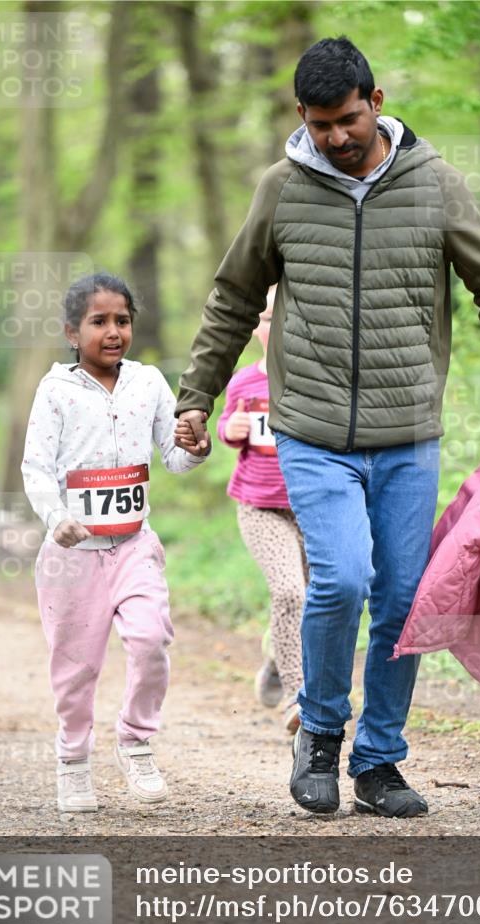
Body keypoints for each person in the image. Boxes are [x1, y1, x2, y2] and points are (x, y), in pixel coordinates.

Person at [174, 37, 480, 819]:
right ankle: (317, 733)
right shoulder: (280, 190)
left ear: (375, 104)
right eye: (319, 126)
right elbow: (232, 297)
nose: (336, 138)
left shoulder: (436, 185)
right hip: (310, 429)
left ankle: (378, 761)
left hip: (406, 432)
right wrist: (196, 398)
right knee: (339, 580)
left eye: (346, 120)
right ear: (299, 118)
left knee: (406, 598)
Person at [22, 272, 209, 813]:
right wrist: (56, 516)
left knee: (151, 640)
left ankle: (135, 740)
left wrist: (195, 446)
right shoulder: (55, 391)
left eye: (122, 321)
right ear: (71, 332)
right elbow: (35, 467)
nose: (112, 331)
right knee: (75, 668)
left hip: (133, 546)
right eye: (98, 321)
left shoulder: (148, 383)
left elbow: (175, 458)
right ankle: (74, 759)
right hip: (71, 559)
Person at [216, 286, 307, 734]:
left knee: (316, 600)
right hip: (260, 507)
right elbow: (226, 425)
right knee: (290, 592)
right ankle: (296, 692)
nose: (278, 327)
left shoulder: (316, 379)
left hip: (313, 507)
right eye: (269, 318)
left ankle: (275, 657)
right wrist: (228, 428)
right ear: (256, 327)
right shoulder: (244, 382)